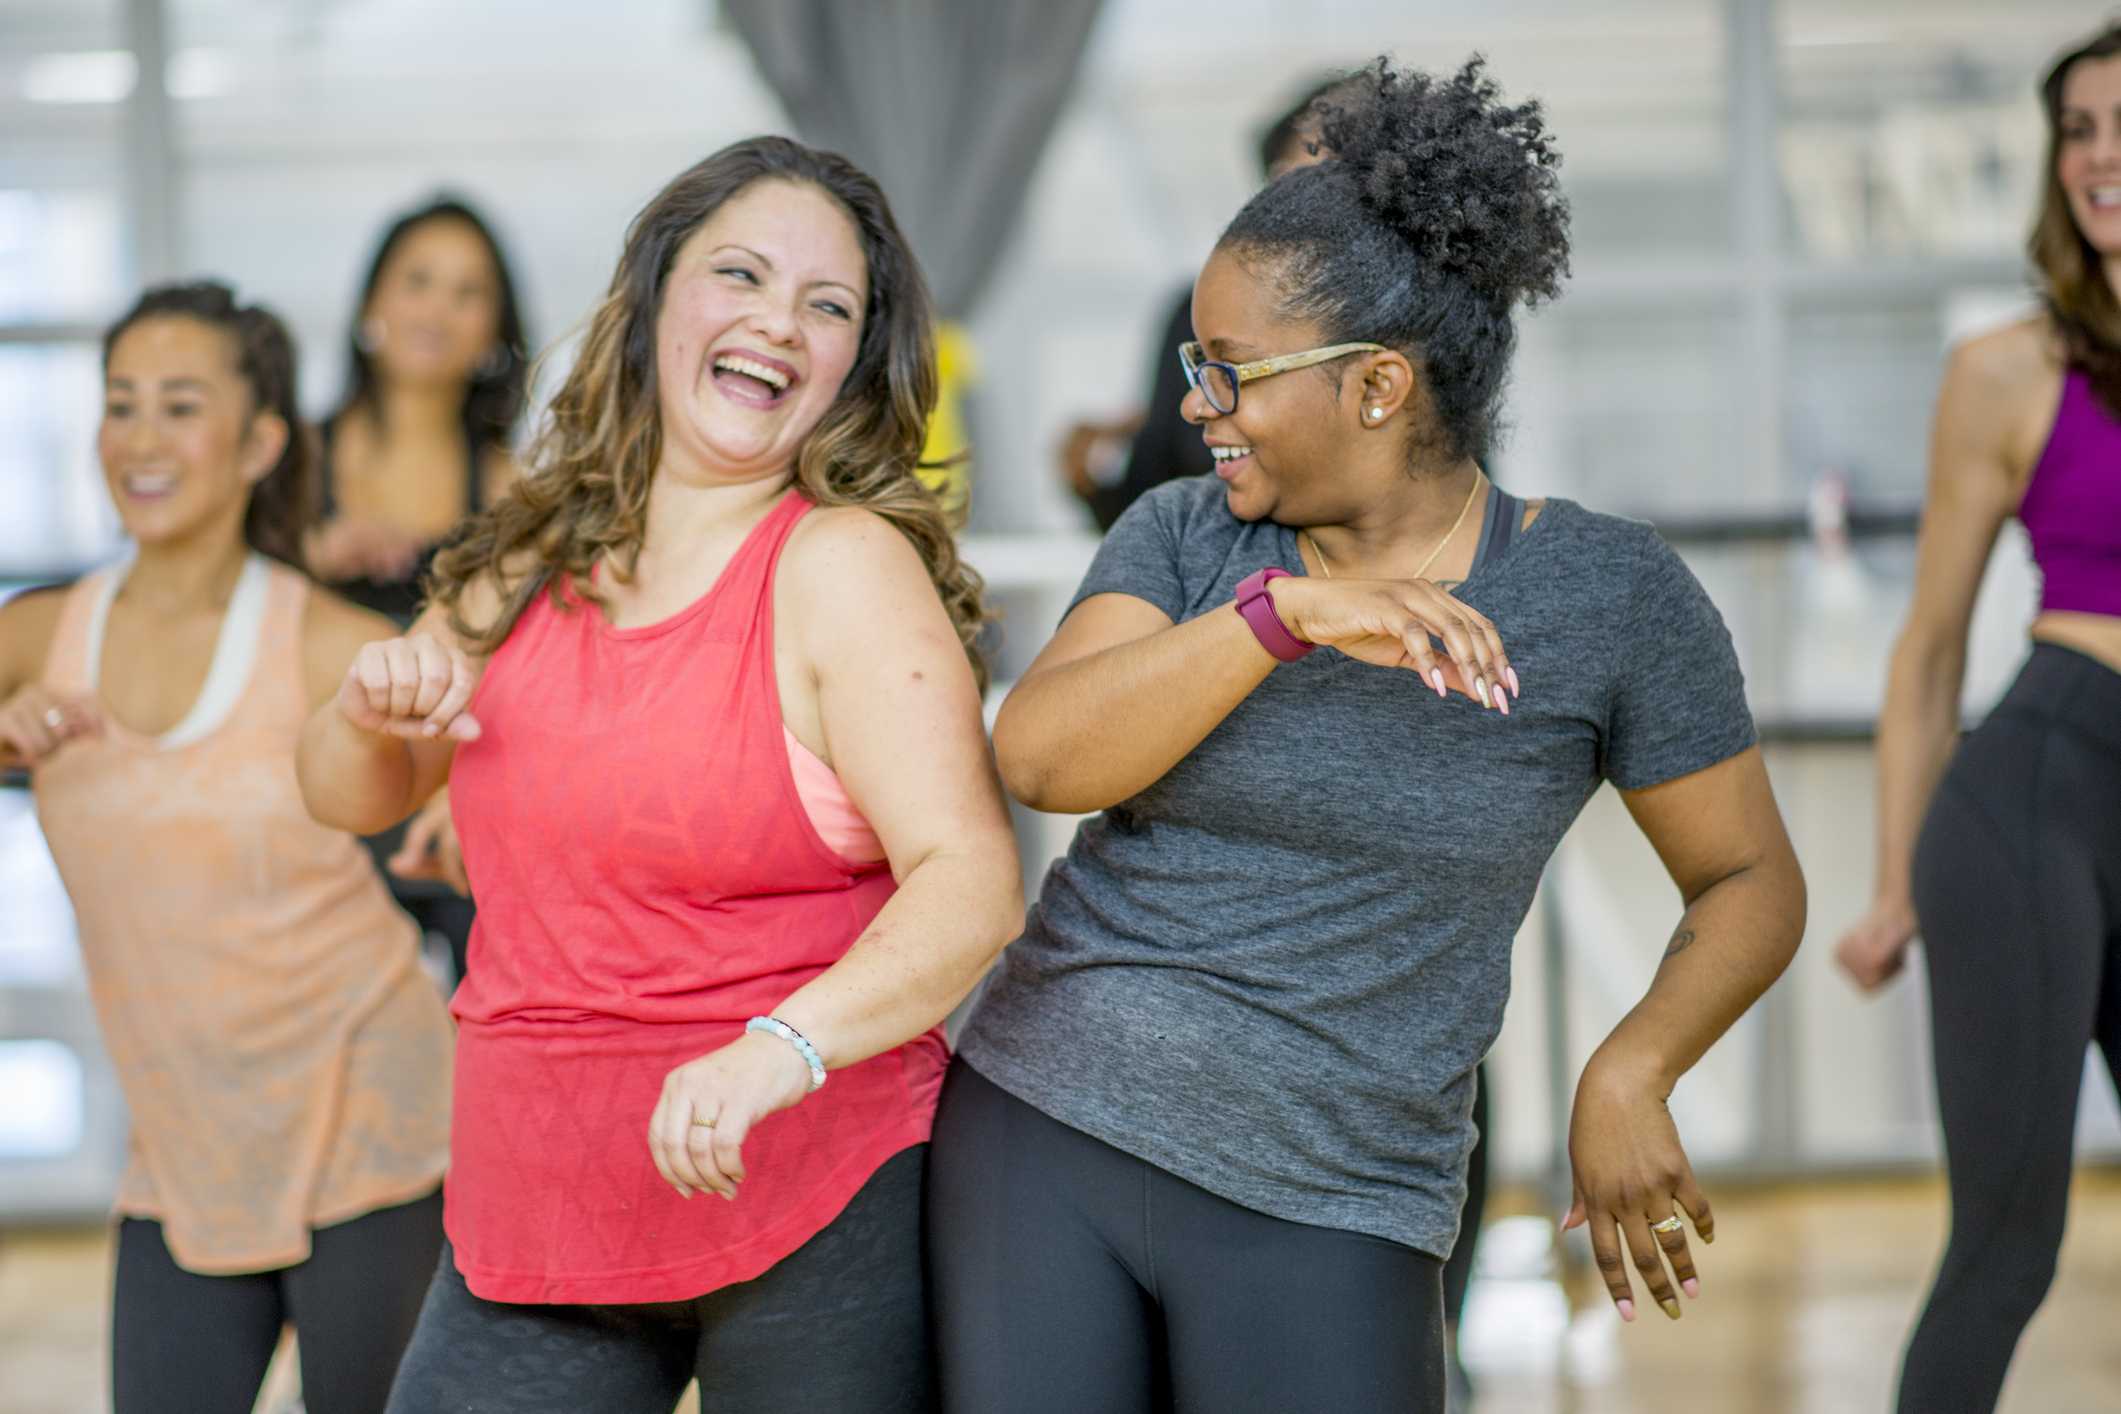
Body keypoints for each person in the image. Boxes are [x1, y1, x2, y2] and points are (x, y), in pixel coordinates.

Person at [930, 60, 1808, 1414]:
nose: (1195, 405)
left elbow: (1750, 880)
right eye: (1193, 365)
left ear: (1380, 385)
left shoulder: (1610, 599)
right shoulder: (1182, 537)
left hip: (1341, 1189)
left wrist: (1632, 1065)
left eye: (1231, 372)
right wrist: (1278, 614)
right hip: (1047, 1125)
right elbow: (1042, 755)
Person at [294, 137, 1022, 1414]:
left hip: (811, 1180)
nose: (777, 325)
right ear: (655, 301)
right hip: (541, 1194)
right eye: (739, 274)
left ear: (857, 363)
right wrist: (367, 709)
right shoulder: (529, 549)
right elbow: (349, 792)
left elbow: (969, 883)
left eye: (828, 305)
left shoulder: (841, 564)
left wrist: (780, 1049)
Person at [0, 282, 454, 1414]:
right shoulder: (41, 634)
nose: (142, 438)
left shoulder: (326, 642)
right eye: (122, 404)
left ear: (260, 441)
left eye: (180, 405)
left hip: (370, 1114)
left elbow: (495, 769)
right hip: (182, 1146)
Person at [1833, 23, 2121, 1414]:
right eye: (2079, 127)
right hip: (2036, 796)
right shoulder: (2011, 368)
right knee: (2007, 1242)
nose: (2102, 155)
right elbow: (1930, 647)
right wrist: (1891, 882)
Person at [307, 197, 530, 984]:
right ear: (373, 301)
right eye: (419, 281)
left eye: (467, 293)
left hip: (451, 804)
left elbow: (530, 666)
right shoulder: (290, 464)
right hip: (315, 796)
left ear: (494, 333)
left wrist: (465, 795)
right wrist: (308, 554)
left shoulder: (512, 486)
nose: (438, 309)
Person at [1059, 75, 1352, 531]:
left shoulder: (1421, 329)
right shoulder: (1194, 316)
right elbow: (1150, 492)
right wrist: (1088, 479)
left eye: (1322, 185)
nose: (1199, 407)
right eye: (1280, 185)